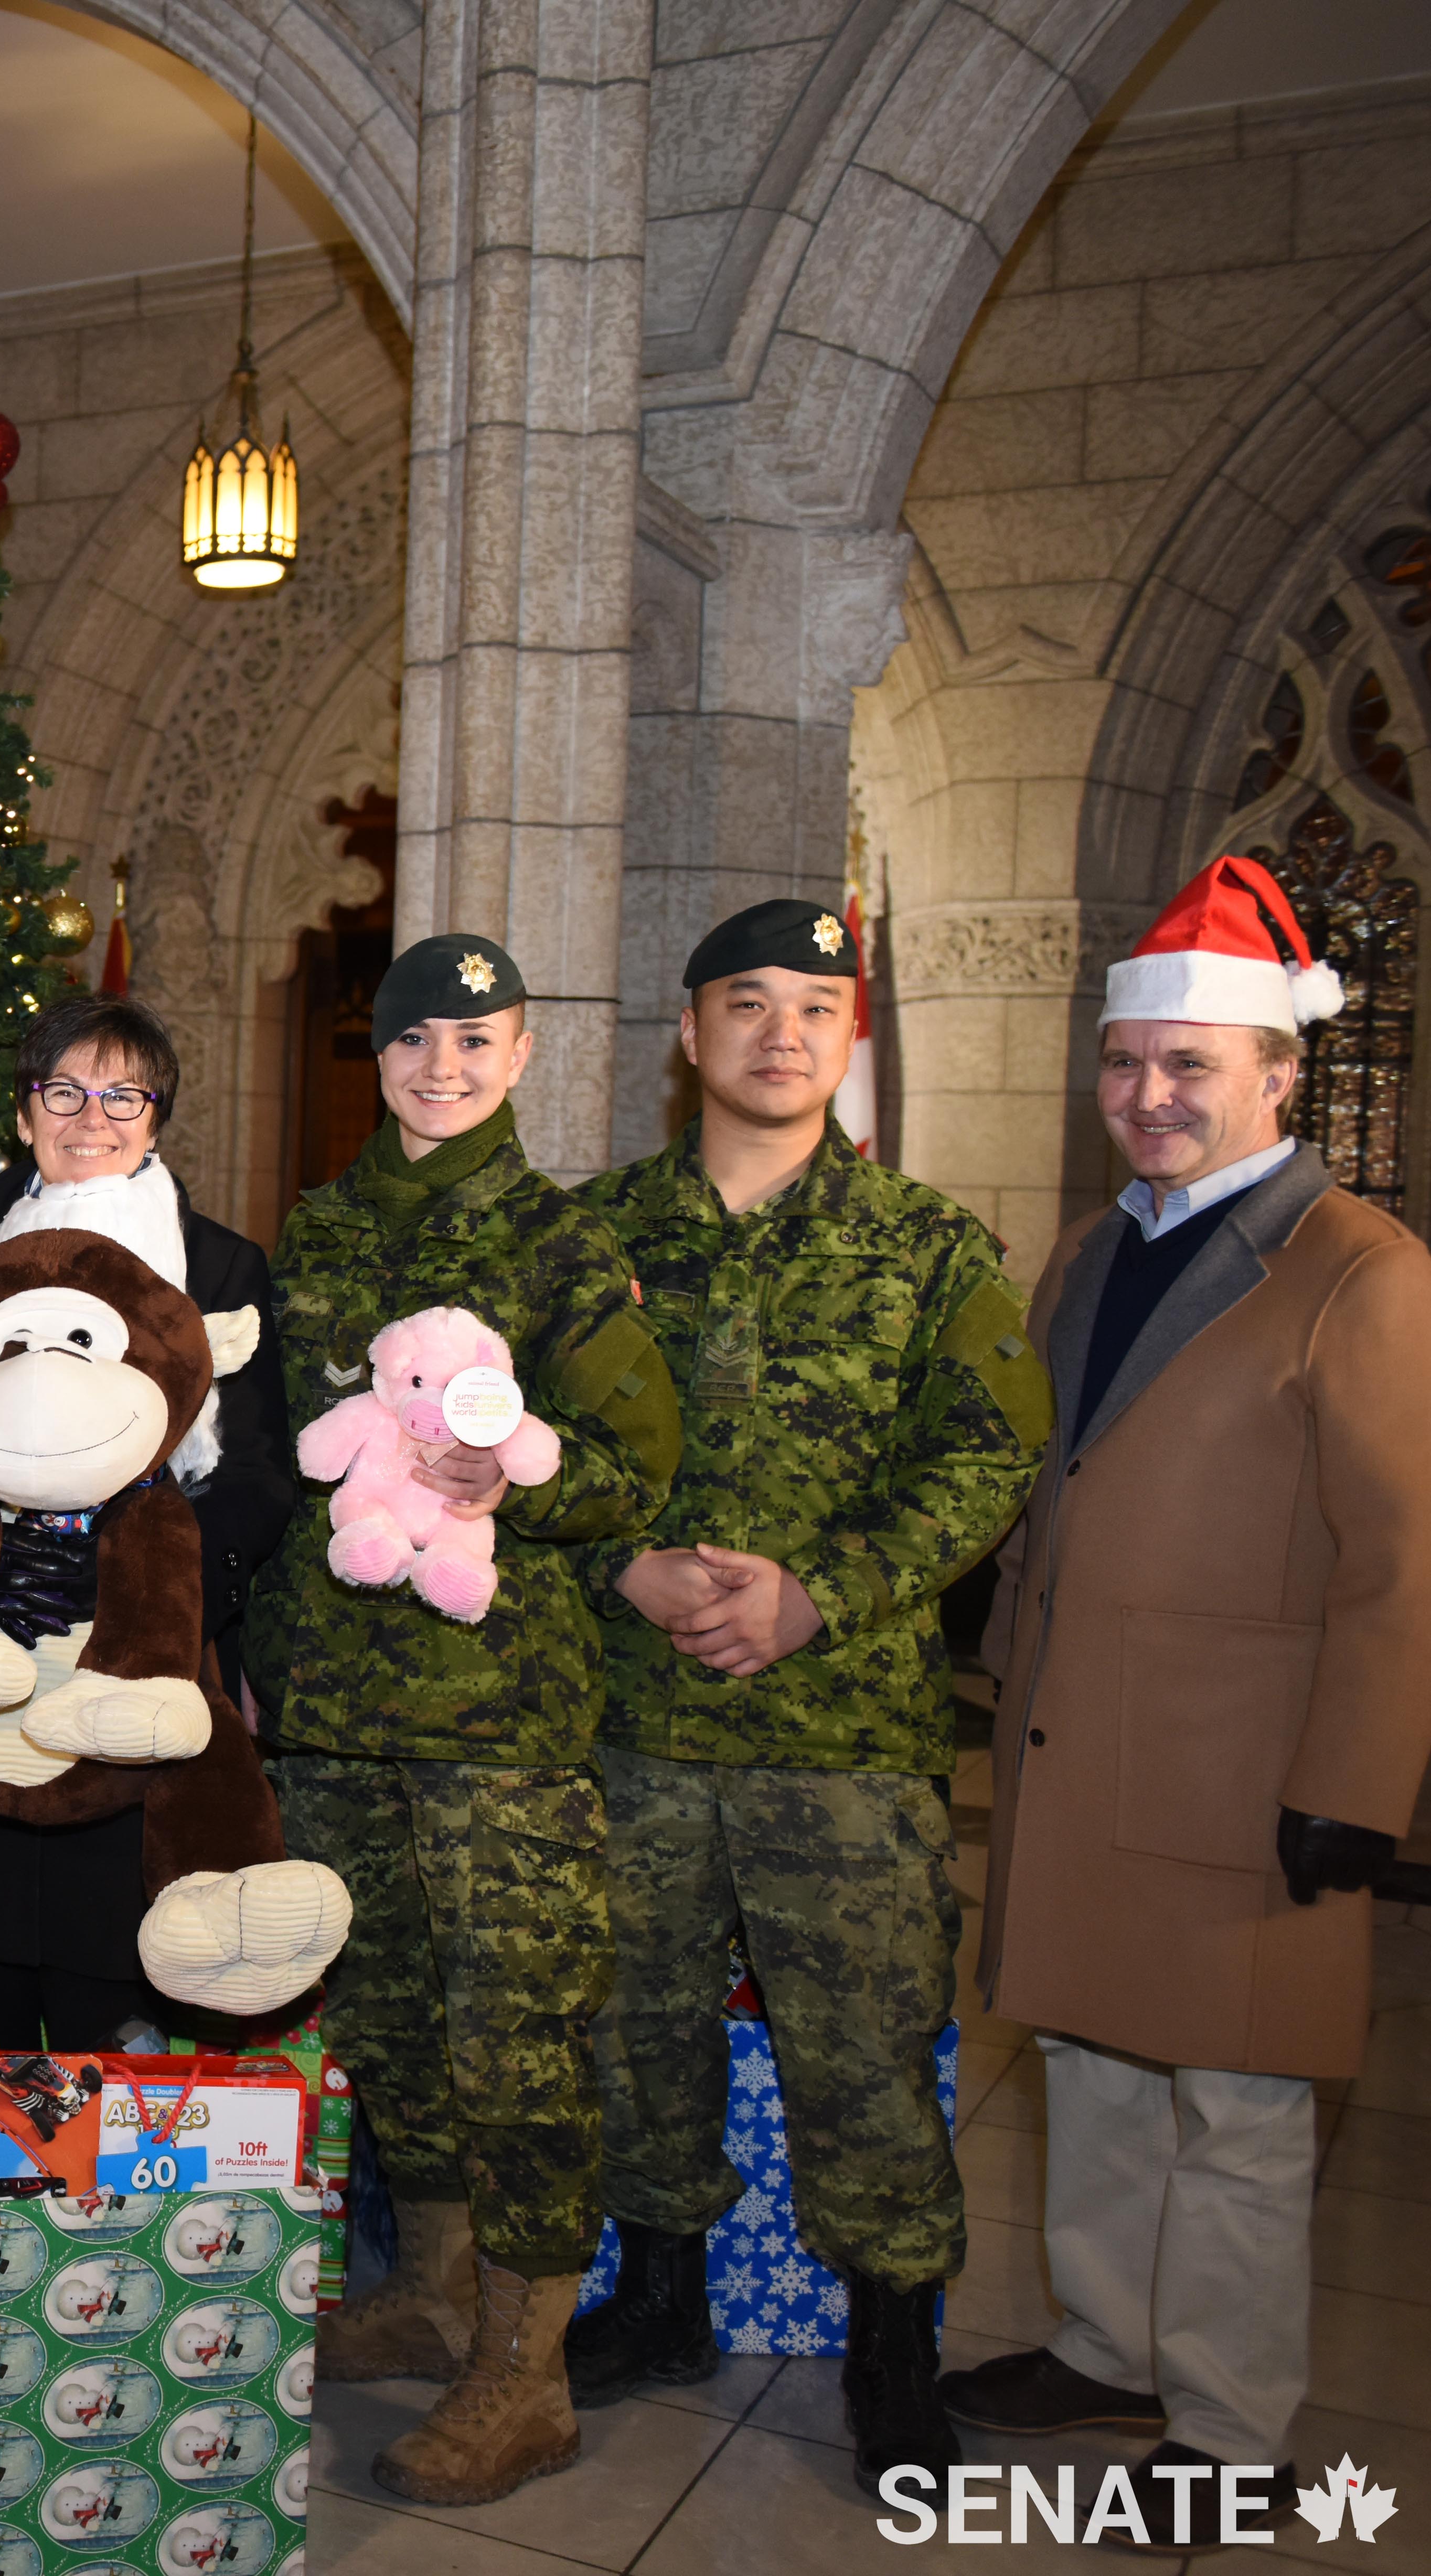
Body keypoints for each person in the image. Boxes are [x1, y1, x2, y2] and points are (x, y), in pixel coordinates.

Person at [938, 855, 1431, 2509]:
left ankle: (1224, 2429)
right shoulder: (1087, 1250)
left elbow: (1399, 1564)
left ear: (1277, 1075)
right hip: (1083, 1749)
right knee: (1086, 2057)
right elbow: (1054, 1482)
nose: (1146, 1096)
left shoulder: (1358, 1271)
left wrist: (1353, 1790)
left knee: (1232, 2108)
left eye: (1188, 1067)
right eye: (1125, 1063)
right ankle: (1102, 2346)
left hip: (1248, 1776)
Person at [567, 900, 1051, 2490]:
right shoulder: (588, 1241)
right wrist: (620, 1557)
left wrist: (812, 1593)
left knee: (859, 2051)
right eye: (746, 1003)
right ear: (686, 1036)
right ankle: (654, 2298)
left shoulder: (927, 1249)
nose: (781, 1033)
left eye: (814, 1008)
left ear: (847, 1039)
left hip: (837, 1741)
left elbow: (986, 1454)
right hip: (631, 1725)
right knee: (638, 2034)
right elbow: (499, 1450)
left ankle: (896, 2348)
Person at [253, 931, 677, 2507]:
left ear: (518, 1056)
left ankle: (523, 2365)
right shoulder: (316, 1229)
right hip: (330, 1705)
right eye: (417, 1038)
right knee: (382, 2020)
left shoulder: (560, 1245)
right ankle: (430, 2293)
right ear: (377, 1055)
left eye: (477, 1040)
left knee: (515, 2034)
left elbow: (638, 1462)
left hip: (497, 1716)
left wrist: (518, 1471)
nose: (445, 1065)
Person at [0, 990, 300, 2054]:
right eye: (63, 1089)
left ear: (156, 1114)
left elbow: (260, 1473)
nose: (90, 1115)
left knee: (110, 2021)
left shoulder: (223, 1267)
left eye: (122, 1093)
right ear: (22, 1110)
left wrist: (150, 1591)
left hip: (129, 1684)